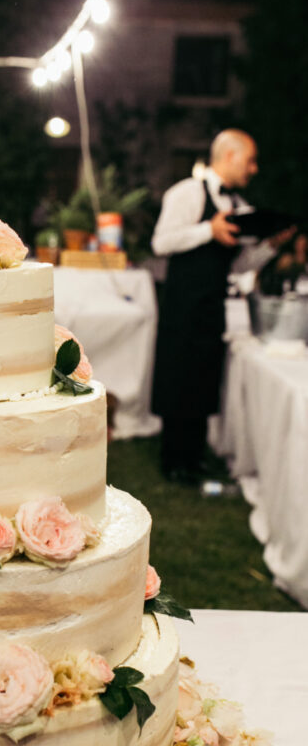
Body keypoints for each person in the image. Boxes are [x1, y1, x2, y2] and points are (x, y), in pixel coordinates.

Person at [151, 128, 295, 483]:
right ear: (229, 156)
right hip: (182, 305)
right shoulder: (185, 193)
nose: (254, 169)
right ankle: (173, 460)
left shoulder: (241, 207)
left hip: (213, 306)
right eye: (250, 160)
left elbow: (240, 265)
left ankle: (196, 457)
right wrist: (208, 230)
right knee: (177, 377)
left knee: (203, 380)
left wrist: (271, 246)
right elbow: (161, 242)